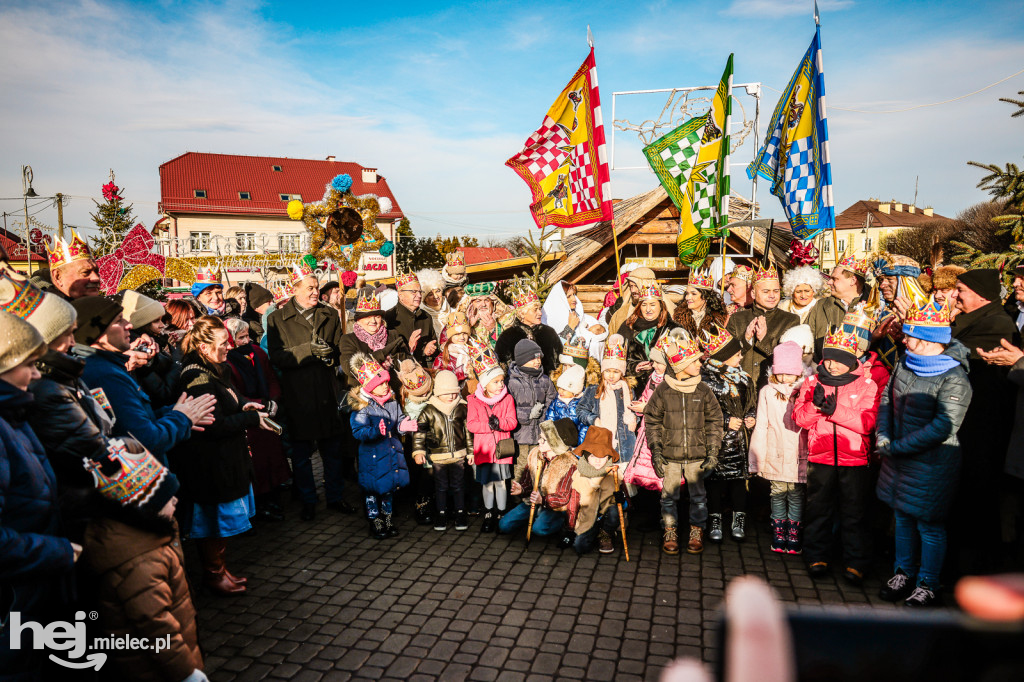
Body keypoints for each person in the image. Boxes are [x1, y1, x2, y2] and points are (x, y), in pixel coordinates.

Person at [81, 439, 206, 680]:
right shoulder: (141, 562)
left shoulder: (142, 538)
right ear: (147, 510)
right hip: (159, 669)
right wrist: (186, 673)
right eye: (168, 499)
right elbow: (156, 627)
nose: (176, 501)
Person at [876, 298, 972, 607]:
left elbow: (944, 426)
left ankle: (928, 584)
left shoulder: (954, 377)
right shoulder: (905, 362)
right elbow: (887, 401)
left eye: (909, 335)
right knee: (903, 516)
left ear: (929, 339)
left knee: (929, 526)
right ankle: (903, 572)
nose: (903, 339)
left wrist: (896, 447)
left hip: (932, 463)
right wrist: (883, 434)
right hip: (899, 457)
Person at [0, 311, 80, 678]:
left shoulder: (14, 413)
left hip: (35, 590)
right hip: (15, 602)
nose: (36, 374)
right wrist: (59, 551)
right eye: (29, 364)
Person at [173, 316, 273, 595]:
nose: (229, 347)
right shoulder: (197, 376)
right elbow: (211, 425)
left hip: (223, 458)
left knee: (218, 524)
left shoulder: (214, 367)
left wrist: (244, 405)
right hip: (209, 462)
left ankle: (220, 569)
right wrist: (250, 421)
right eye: (222, 343)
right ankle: (214, 574)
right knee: (213, 523)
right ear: (204, 347)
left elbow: (230, 395)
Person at [74, 296, 215, 466]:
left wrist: (179, 411)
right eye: (119, 321)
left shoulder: (107, 366)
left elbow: (134, 420)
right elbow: (145, 439)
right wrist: (181, 418)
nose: (129, 325)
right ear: (96, 332)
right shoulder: (105, 374)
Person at [793, 325, 882, 585]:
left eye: (839, 361)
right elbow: (800, 418)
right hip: (820, 457)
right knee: (819, 509)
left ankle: (856, 561)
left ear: (851, 360)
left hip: (854, 459)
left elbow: (867, 423)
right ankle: (817, 555)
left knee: (854, 512)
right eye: (828, 358)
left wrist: (835, 411)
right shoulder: (812, 382)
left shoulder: (867, 384)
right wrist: (815, 405)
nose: (831, 365)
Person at [266, 265, 354, 521]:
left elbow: (338, 350)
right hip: (298, 395)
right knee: (302, 454)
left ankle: (335, 497)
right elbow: (277, 357)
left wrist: (330, 358)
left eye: (317, 287)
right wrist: (308, 350)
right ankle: (308, 500)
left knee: (332, 451)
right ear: (295, 290)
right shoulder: (276, 318)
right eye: (310, 288)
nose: (316, 292)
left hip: (326, 392)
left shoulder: (330, 314)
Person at [949, 268, 1019, 575]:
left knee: (978, 501)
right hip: (970, 426)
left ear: (979, 294)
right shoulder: (977, 319)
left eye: (960, 289)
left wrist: (939, 325)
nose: (954, 295)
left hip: (984, 430)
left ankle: (972, 571)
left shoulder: (996, 324)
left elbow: (954, 354)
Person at [645, 332, 724, 555]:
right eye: (695, 361)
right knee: (668, 496)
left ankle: (696, 529)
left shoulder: (703, 390)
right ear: (681, 366)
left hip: (697, 455)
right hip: (670, 454)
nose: (700, 364)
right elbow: (652, 420)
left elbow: (715, 421)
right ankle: (670, 530)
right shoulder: (664, 390)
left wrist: (712, 451)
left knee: (699, 497)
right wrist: (657, 451)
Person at [223, 318, 291, 523]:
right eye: (241, 337)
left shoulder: (257, 353)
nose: (247, 340)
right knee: (256, 464)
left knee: (273, 459)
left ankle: (273, 498)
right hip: (248, 418)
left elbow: (271, 379)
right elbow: (232, 392)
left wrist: (273, 400)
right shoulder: (226, 362)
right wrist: (259, 403)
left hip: (266, 414)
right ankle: (259, 505)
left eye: (247, 335)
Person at [749, 341, 808, 554]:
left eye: (789, 373)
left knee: (795, 493)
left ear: (798, 372)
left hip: (798, 454)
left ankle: (794, 532)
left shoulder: (805, 390)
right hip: (775, 451)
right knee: (777, 492)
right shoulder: (767, 391)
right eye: (780, 373)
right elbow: (762, 425)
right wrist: (757, 457)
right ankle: (779, 531)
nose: (784, 378)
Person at [699, 325, 756, 543]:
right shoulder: (706, 381)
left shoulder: (744, 379)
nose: (741, 357)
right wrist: (725, 421)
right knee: (714, 481)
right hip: (717, 440)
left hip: (740, 440)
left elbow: (750, 403)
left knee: (739, 481)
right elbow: (702, 412)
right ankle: (715, 520)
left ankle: (738, 519)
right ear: (724, 357)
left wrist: (751, 417)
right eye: (737, 354)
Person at [347, 353, 414, 539]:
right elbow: (358, 431)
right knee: (372, 491)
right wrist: (375, 431)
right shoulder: (362, 408)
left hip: (390, 453)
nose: (386, 385)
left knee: (388, 487)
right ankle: (374, 520)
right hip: (372, 457)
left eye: (386, 382)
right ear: (370, 387)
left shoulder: (392, 403)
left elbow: (398, 421)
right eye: (381, 383)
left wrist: (402, 426)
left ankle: (387, 517)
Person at [412, 370, 472, 531]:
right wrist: (419, 451)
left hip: (459, 455)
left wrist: (471, 451)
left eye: (454, 393)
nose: (451, 396)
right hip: (438, 456)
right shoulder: (429, 410)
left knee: (459, 486)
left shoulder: (461, 408)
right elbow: (419, 432)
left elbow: (467, 431)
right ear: (438, 393)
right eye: (447, 393)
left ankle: (460, 513)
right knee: (441, 487)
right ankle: (441, 514)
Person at [502, 418, 579, 545]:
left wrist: (542, 500)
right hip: (533, 502)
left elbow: (563, 497)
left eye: (543, 439)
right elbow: (527, 480)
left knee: (539, 529)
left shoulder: (568, 464)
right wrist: (522, 489)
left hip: (554, 507)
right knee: (504, 525)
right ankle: (534, 519)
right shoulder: (535, 454)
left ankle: (560, 524)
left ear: (555, 443)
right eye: (540, 437)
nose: (539, 441)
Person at [467, 350, 517, 532]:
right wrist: (489, 425)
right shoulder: (474, 401)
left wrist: (500, 423)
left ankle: (501, 513)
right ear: (485, 384)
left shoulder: (507, 399)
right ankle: (488, 512)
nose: (500, 385)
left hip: (501, 450)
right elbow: (471, 425)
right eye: (495, 382)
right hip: (484, 451)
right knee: (487, 483)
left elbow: (512, 422)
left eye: (501, 381)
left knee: (501, 482)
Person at [727, 263, 799, 389]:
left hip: (773, 390)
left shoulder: (791, 320)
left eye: (776, 291)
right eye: (766, 291)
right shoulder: (737, 319)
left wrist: (764, 340)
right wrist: (746, 339)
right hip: (741, 389)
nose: (772, 295)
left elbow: (790, 362)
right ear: (753, 294)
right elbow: (726, 357)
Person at [579, 334, 637, 468]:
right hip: (600, 442)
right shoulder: (594, 390)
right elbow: (581, 410)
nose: (611, 375)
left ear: (622, 373)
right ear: (602, 371)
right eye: (608, 371)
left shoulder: (627, 390)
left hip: (624, 444)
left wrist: (634, 419)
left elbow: (635, 410)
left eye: (616, 372)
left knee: (623, 478)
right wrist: (593, 419)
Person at [338, 290, 408, 394]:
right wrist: (383, 353)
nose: (373, 321)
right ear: (358, 320)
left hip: (393, 393)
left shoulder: (392, 334)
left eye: (377, 316)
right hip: (364, 396)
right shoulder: (348, 339)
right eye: (368, 317)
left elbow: (405, 361)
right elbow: (350, 369)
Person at [570, 426, 626, 555]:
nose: (597, 460)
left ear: (609, 457)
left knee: (614, 511)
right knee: (580, 547)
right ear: (586, 455)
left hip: (606, 517)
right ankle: (593, 532)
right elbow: (572, 504)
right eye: (593, 455)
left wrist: (621, 499)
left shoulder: (614, 475)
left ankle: (606, 533)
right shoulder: (578, 475)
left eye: (603, 456)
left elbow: (626, 504)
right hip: (587, 519)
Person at [507, 339, 556, 480]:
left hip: (539, 435)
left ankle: (536, 498)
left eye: (539, 357)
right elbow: (508, 408)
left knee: (538, 466)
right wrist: (528, 414)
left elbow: (551, 401)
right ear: (522, 359)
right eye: (533, 358)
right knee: (521, 467)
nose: (537, 361)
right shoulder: (511, 382)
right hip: (520, 436)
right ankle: (518, 497)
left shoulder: (544, 380)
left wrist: (543, 415)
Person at [123, 290, 181, 409]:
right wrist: (177, 360)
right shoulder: (140, 349)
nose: (162, 325)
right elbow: (163, 393)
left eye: (162, 320)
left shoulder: (157, 340)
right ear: (142, 323)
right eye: (156, 321)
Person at [618, 282, 679, 394]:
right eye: (644, 305)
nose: (648, 309)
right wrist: (634, 367)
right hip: (635, 389)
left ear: (661, 306)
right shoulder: (628, 327)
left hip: (666, 390)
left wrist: (661, 368)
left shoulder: (674, 330)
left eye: (652, 304)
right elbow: (616, 361)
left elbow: (683, 363)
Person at [623, 346, 667, 494]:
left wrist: (646, 408)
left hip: (661, 434)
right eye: (653, 361)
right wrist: (639, 404)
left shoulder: (670, 382)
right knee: (644, 472)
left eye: (658, 362)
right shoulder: (653, 378)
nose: (653, 365)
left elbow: (669, 408)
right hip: (646, 431)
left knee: (658, 475)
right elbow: (646, 397)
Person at [805, 253, 869, 352]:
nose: (829, 282)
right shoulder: (821, 305)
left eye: (835, 279)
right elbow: (805, 341)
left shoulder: (873, 307)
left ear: (852, 281)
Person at [495, 288, 563, 373]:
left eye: (540, 308)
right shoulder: (507, 337)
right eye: (535, 310)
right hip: (518, 385)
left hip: (547, 384)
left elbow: (560, 361)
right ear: (522, 313)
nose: (540, 313)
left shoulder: (549, 333)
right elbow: (503, 367)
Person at [542, 281, 607, 360]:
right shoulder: (548, 322)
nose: (574, 299)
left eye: (574, 295)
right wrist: (570, 327)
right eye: (569, 296)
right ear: (560, 300)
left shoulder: (587, 319)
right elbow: (554, 351)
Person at [386, 272, 438, 366]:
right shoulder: (389, 318)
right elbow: (388, 355)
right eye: (413, 292)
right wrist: (409, 349)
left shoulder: (426, 317)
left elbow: (434, 346)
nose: (419, 295)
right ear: (400, 295)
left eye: (420, 291)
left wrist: (430, 349)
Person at [40, 230, 102, 300]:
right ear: (58, 277)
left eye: (96, 271)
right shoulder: (49, 308)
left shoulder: (106, 307)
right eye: (85, 272)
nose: (96, 278)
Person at [673, 268, 729, 340]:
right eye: (687, 294)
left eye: (694, 294)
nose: (688, 298)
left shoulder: (720, 318)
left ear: (705, 297)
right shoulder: (678, 317)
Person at [544, 363, 588, 443]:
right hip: (558, 442)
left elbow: (584, 428)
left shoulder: (583, 404)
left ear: (574, 391)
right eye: (559, 388)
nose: (560, 391)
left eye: (564, 389)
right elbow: (549, 420)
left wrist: (579, 447)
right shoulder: (556, 402)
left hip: (576, 443)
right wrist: (551, 440)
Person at [432, 311, 474, 384]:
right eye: (457, 334)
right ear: (450, 337)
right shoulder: (441, 359)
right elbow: (438, 381)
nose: (462, 337)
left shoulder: (473, 352)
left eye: (464, 334)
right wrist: (461, 372)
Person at [418, 268, 451, 338]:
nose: (436, 296)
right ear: (424, 299)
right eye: (430, 294)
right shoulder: (422, 318)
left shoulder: (452, 310)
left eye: (438, 291)